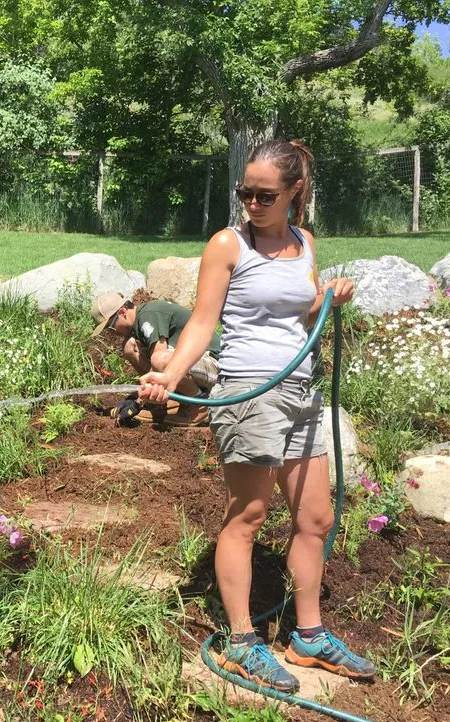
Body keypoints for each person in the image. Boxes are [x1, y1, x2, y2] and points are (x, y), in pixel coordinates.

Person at [138, 139, 372, 692]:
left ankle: (308, 637)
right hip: (249, 392)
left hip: (300, 392)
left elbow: (302, 308)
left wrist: (330, 298)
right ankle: (243, 642)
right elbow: (202, 321)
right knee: (247, 517)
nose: (252, 203)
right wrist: (171, 376)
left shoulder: (304, 242)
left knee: (314, 518)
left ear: (295, 193)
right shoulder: (228, 245)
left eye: (265, 194)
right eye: (245, 192)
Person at [91, 295, 220, 425]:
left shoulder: (149, 316)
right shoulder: (139, 324)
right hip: (195, 364)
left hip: (215, 364)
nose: (111, 332)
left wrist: (137, 402)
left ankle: (199, 405)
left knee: (160, 359)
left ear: (122, 312)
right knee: (130, 347)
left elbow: (159, 360)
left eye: (110, 327)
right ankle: (175, 399)